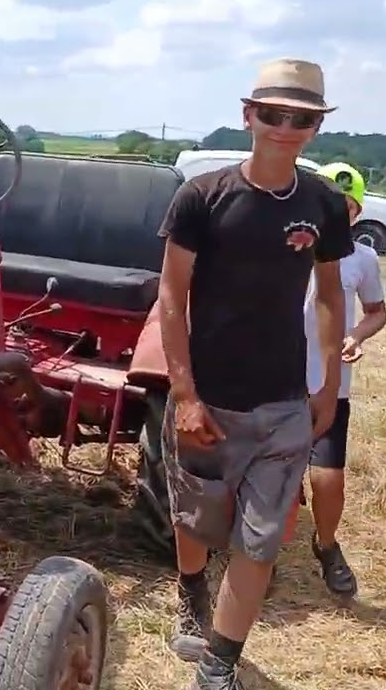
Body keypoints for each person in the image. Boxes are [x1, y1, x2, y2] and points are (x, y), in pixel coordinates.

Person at [156, 58, 353, 690]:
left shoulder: (323, 204)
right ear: (249, 116)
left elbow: (328, 295)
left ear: (315, 128)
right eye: (273, 114)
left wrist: (324, 388)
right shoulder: (203, 198)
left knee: (259, 543)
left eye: (302, 118)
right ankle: (192, 591)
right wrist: (185, 395)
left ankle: (218, 665)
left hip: (282, 408)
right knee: (195, 524)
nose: (286, 128)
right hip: (208, 403)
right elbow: (170, 296)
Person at [303, 162, 386, 597]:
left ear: (357, 211)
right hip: (278, 379)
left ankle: (327, 545)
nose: (337, 214)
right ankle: (258, 557)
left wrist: (355, 335)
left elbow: (376, 312)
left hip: (330, 387)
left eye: (347, 206)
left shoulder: (363, 259)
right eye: (328, 206)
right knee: (270, 475)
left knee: (328, 478)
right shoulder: (286, 249)